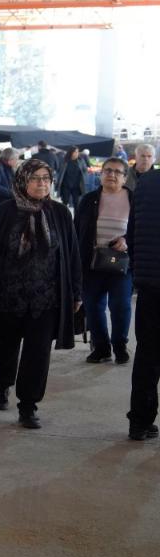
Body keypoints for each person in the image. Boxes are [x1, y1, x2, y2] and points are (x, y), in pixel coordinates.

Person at [0, 159, 80, 429]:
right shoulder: (4, 213)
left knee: (38, 353)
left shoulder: (60, 214)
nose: (41, 183)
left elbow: (72, 255)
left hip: (45, 298)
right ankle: (1, 385)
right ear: (22, 181)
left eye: (46, 178)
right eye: (35, 178)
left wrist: (76, 292)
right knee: (4, 347)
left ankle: (28, 405)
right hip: (8, 296)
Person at [76, 157, 133, 365]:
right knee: (93, 306)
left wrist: (127, 240)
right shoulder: (88, 199)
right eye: (107, 170)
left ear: (125, 177)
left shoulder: (133, 199)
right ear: (100, 175)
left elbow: (140, 230)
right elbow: (77, 231)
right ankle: (101, 348)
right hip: (91, 263)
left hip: (122, 264)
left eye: (118, 172)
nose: (112, 175)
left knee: (121, 305)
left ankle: (120, 345)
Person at [126, 166, 160, 440]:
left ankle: (139, 420)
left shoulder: (146, 183)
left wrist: (140, 273)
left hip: (150, 284)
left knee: (148, 354)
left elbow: (132, 233)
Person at [58, 146, 88, 211]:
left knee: (76, 204)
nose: (77, 153)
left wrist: (84, 176)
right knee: (64, 203)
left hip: (76, 186)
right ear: (71, 152)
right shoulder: (65, 161)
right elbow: (60, 173)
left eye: (78, 152)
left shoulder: (81, 161)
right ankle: (64, 218)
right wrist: (58, 184)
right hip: (66, 185)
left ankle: (76, 220)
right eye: (75, 152)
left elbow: (85, 170)